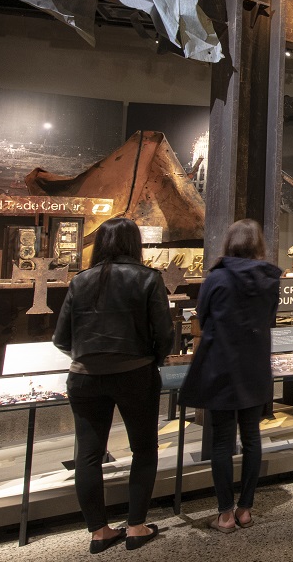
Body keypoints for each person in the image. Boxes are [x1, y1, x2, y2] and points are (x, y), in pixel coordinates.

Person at [53, 217, 173, 553]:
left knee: (88, 455)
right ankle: (136, 525)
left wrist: (89, 357)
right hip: (136, 373)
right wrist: (152, 359)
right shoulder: (149, 279)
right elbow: (164, 334)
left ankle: (99, 531)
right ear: (135, 244)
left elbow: (61, 338)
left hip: (85, 377)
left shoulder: (81, 281)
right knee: (144, 449)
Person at [179, 220, 282, 533]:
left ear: (230, 243)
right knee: (252, 437)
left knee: (222, 441)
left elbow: (202, 315)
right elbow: (270, 318)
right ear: (258, 245)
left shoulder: (217, 277)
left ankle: (225, 514)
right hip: (255, 366)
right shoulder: (269, 279)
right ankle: (246, 509)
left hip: (221, 366)